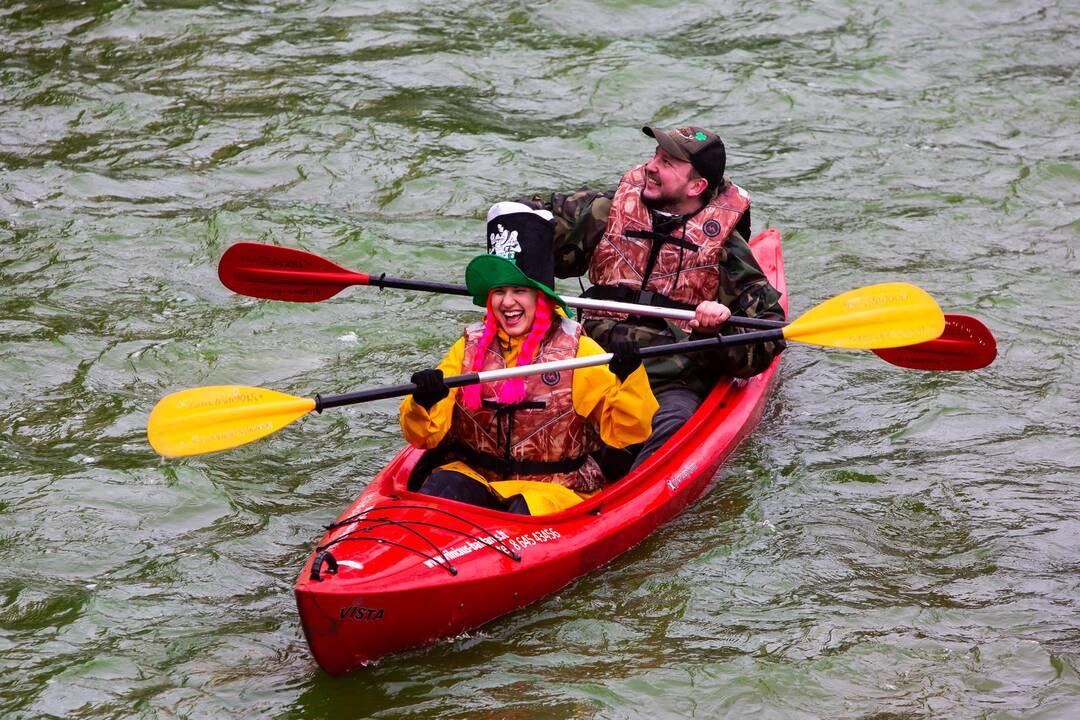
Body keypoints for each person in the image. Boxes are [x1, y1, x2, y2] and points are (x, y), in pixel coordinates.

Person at [519, 126, 786, 469]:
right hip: (588, 363)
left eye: (669, 162)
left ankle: (627, 489)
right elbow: (536, 221)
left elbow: (765, 337)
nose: (651, 166)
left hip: (669, 380)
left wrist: (714, 330)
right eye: (656, 156)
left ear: (696, 186)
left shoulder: (726, 249)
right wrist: (520, 222)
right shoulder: (604, 210)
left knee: (673, 426)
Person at [399, 202, 659, 515]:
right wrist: (423, 402)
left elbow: (628, 433)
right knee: (438, 491)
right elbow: (426, 436)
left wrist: (629, 377)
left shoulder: (580, 352)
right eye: (499, 291)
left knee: (522, 510)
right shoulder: (468, 347)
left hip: (555, 488)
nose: (507, 302)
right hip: (478, 476)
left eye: (519, 291)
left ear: (542, 296)